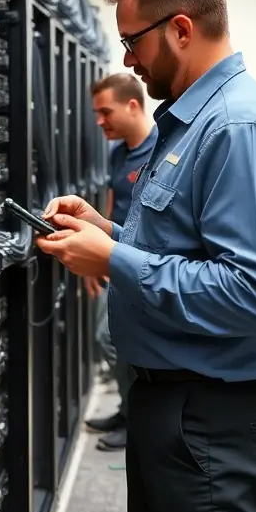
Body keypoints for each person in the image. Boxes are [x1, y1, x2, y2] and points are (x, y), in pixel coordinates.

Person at [37, 0, 256, 512]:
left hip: (212, 415)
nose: (128, 59)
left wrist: (114, 262)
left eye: (134, 40)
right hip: (174, 405)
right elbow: (187, 248)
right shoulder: (188, 123)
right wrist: (111, 234)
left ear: (181, 29)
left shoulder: (240, 129)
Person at [87, 73, 157, 451]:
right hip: (117, 256)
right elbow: (114, 206)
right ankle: (126, 410)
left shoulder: (159, 148)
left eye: (105, 111)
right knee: (108, 338)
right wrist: (99, 252)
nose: (99, 121)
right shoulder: (118, 153)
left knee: (119, 342)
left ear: (133, 105)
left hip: (144, 265)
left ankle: (136, 421)